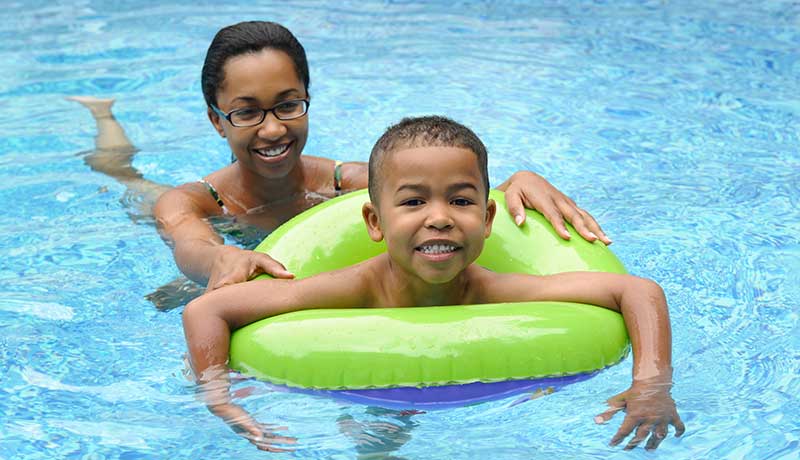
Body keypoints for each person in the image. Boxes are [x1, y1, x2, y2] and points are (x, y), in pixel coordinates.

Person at [182, 115, 684, 452]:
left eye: (461, 201)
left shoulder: (492, 288)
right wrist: (219, 394)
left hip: (467, 385)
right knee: (375, 440)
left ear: (489, 219)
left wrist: (651, 386)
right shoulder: (354, 288)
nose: (439, 219)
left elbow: (638, 291)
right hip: (362, 390)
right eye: (414, 202)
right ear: (374, 224)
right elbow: (205, 311)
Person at [68, 21, 611, 309]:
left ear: (307, 99)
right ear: (216, 121)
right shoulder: (190, 203)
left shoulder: (341, 184)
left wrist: (519, 178)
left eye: (288, 104)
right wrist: (217, 263)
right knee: (130, 181)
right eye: (247, 113)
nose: (274, 128)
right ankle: (105, 120)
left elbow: (432, 179)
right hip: (228, 220)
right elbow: (192, 245)